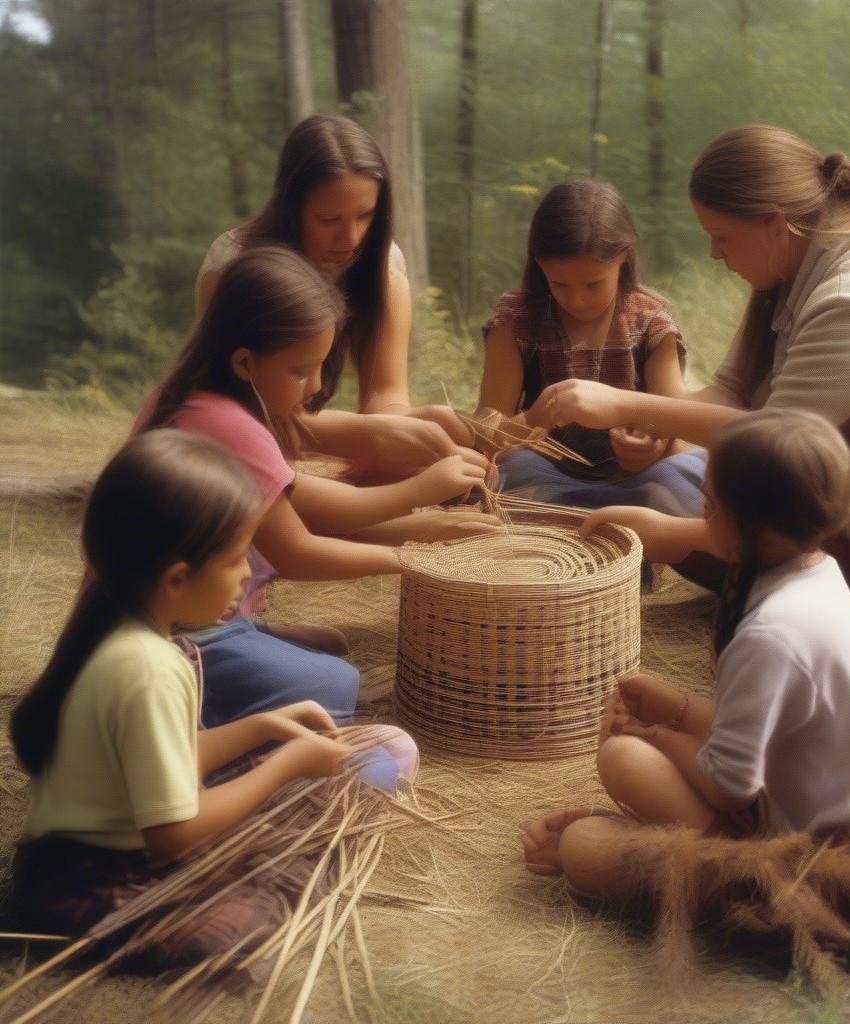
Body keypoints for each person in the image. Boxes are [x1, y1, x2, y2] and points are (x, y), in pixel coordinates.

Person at [533, 125, 850, 668]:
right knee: (693, 495)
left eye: (721, 236)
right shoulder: (796, 271)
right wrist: (661, 433)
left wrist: (630, 414)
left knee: (751, 508)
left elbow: (776, 438)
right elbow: (733, 392)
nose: (716, 253)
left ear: (772, 222)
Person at [522, 410, 850, 980]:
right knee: (620, 756)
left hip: (817, 869)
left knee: (583, 846)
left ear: (731, 521)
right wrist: (676, 707)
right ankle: (664, 841)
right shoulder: (817, 573)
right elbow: (775, 738)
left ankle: (677, 861)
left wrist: (660, 733)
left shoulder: (771, 633)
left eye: (707, 503)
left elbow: (732, 786)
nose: (701, 512)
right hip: (844, 830)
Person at [7, 430, 418, 960]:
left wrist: (263, 727)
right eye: (235, 559)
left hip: (98, 852)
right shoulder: (148, 667)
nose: (248, 575)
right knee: (260, 900)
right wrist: (287, 763)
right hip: (95, 885)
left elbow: (163, 764)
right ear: (177, 578)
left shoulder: (123, 635)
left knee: (384, 745)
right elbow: (173, 836)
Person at [139, 246, 492, 726]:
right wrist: (419, 539)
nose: (314, 386)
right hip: (176, 633)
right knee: (336, 684)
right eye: (300, 369)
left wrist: (422, 525)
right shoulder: (225, 426)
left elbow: (324, 509)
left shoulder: (208, 399)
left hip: (196, 608)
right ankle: (218, 667)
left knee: (331, 651)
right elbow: (298, 551)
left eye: (323, 366)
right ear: (245, 361)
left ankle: (250, 636)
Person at [195, 112, 467, 448]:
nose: (351, 239)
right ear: (290, 208)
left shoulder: (381, 263)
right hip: (245, 442)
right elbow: (232, 414)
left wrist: (419, 424)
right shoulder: (234, 265)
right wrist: (374, 434)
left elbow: (385, 394)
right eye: (328, 219)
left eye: (365, 215)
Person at [477, 179, 706, 517]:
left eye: (593, 283)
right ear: (539, 265)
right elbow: (484, 437)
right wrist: (535, 418)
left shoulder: (651, 323)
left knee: (687, 473)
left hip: (637, 482)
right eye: (560, 283)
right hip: (544, 478)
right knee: (505, 471)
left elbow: (680, 424)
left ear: (624, 259)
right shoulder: (515, 322)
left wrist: (653, 445)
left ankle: (630, 547)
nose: (577, 299)